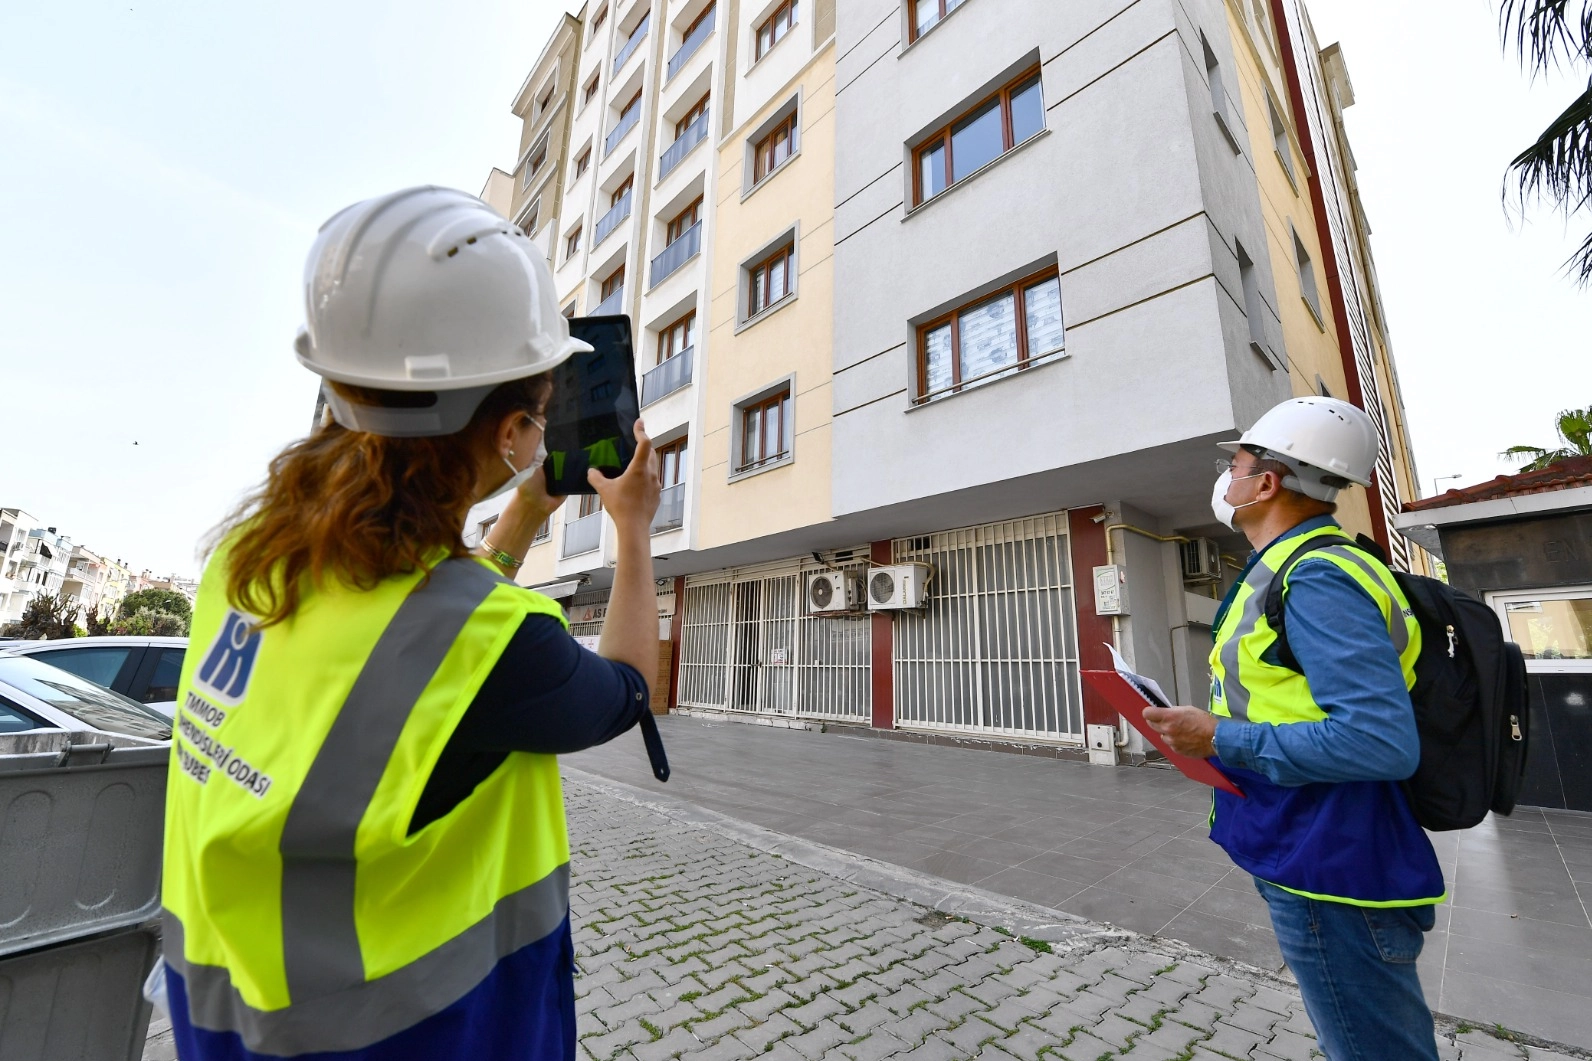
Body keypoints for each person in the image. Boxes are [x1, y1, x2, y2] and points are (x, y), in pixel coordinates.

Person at [160, 186, 665, 1061]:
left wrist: (517, 522)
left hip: (227, 1018)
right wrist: (632, 529)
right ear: (514, 432)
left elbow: (416, 619)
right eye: (538, 413)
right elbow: (628, 687)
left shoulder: (245, 559)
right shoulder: (490, 640)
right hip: (411, 1035)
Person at [1144, 397, 1443, 1061]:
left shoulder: (1318, 577)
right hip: (1305, 846)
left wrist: (1219, 737)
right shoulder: (1296, 567)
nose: (1227, 480)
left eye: (1238, 466)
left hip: (1331, 861)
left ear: (1268, 482)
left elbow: (1379, 740)